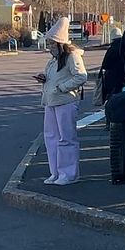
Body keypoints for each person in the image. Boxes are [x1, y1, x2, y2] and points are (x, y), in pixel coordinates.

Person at [36, 17, 88, 186]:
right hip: (51, 101)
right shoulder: (53, 60)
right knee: (51, 137)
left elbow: (81, 76)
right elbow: (56, 77)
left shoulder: (72, 56)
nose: (50, 47)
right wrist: (45, 79)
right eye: (48, 44)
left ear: (60, 43)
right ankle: (56, 172)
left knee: (66, 138)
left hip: (65, 101)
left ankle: (69, 173)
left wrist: (62, 88)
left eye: (52, 44)